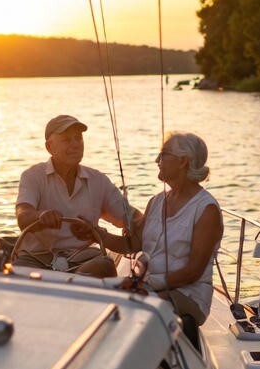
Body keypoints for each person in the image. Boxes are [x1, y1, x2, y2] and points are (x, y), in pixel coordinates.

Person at [98, 131, 223, 331]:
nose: (157, 160)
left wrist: (149, 285)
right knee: (98, 293)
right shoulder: (156, 202)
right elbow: (133, 245)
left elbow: (193, 271)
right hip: (149, 286)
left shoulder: (206, 210)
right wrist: (99, 236)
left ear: (182, 161)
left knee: (129, 306)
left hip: (188, 295)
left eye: (163, 154)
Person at [14, 114, 137, 277]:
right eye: (66, 140)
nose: (75, 145)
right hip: (36, 259)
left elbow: (132, 219)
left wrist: (138, 227)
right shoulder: (33, 176)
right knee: (16, 270)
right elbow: (23, 215)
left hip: (82, 263)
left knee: (105, 264)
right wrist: (41, 216)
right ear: (50, 147)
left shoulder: (98, 181)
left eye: (78, 139)